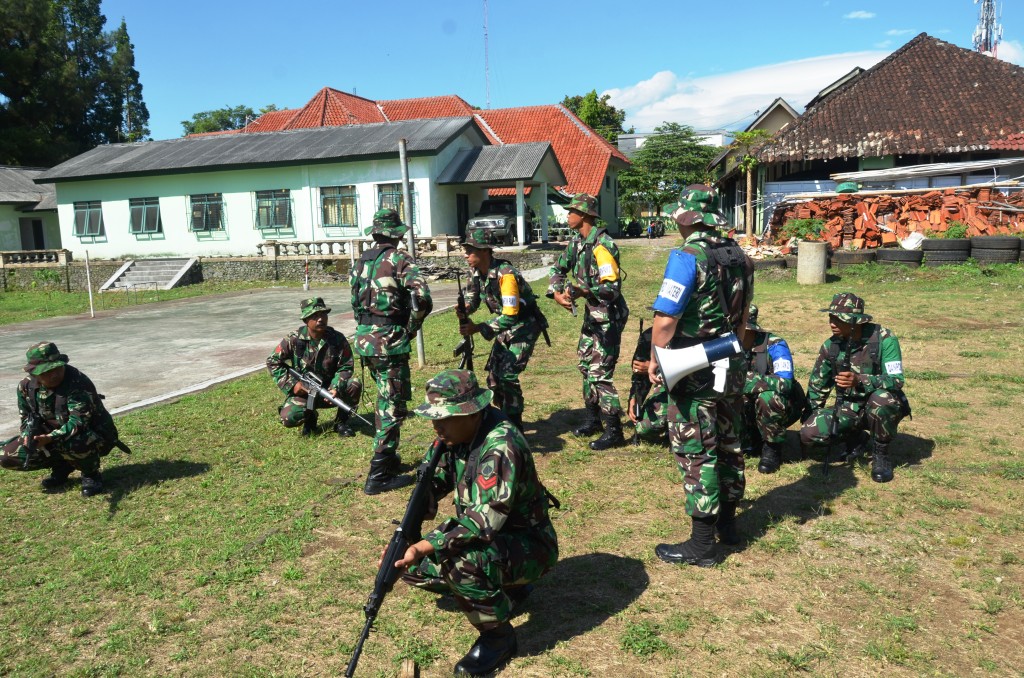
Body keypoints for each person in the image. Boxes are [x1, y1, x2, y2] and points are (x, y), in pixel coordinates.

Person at [395, 369, 558, 676]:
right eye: (434, 417)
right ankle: (508, 590)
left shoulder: (500, 446)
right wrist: (409, 533)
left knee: (459, 563)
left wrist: (424, 545)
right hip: (498, 544)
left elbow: (480, 523)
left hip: (530, 545)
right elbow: (431, 485)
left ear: (472, 413)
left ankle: (498, 638)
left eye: (445, 417)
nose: (437, 425)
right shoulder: (454, 437)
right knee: (408, 567)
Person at [648, 185, 754, 566]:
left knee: (696, 450)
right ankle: (729, 524)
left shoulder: (686, 256)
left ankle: (702, 544)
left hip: (693, 368)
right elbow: (743, 320)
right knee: (729, 442)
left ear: (686, 218)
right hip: (732, 361)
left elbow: (665, 319)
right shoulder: (740, 256)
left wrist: (654, 361)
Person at [350, 208, 432, 495]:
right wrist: (411, 327)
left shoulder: (362, 261)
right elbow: (422, 299)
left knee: (383, 398)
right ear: (396, 235)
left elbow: (354, 302)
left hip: (366, 340)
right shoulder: (399, 259)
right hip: (390, 340)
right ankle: (379, 473)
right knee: (392, 405)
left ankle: (390, 458)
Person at [547, 192, 630, 450]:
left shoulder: (603, 246)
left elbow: (612, 290)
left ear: (584, 215)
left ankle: (614, 430)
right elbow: (557, 270)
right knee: (585, 364)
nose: (567, 215)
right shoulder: (577, 243)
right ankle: (592, 419)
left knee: (600, 372)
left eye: (571, 211)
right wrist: (557, 293)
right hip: (592, 315)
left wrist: (585, 291)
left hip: (608, 317)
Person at [800, 292, 909, 483]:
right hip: (848, 407)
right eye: (831, 318)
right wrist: (810, 417)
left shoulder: (885, 339)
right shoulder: (830, 346)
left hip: (879, 404)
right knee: (810, 433)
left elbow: (896, 380)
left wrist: (860, 380)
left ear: (856, 322)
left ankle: (880, 453)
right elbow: (818, 386)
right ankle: (855, 438)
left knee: (881, 400)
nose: (832, 323)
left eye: (839, 319)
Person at [1, 341, 124, 496]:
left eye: (57, 368)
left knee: (74, 440)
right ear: (34, 373)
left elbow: (78, 423)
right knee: (6, 455)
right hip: (51, 437)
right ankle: (63, 465)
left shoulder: (77, 382)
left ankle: (90, 474)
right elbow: (26, 417)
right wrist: (28, 436)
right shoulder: (26, 387)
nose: (54, 374)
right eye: (46, 371)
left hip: (92, 436)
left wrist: (49, 438)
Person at [458, 228, 549, 432]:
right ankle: (504, 416)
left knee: (507, 374)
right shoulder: (475, 273)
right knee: (493, 377)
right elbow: (472, 299)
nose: (465, 254)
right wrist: (464, 308)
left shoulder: (506, 275)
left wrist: (478, 328)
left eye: (469, 250)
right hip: (506, 328)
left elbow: (510, 315)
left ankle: (514, 425)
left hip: (524, 326)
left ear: (484, 251)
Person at [266, 297, 362, 437]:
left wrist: (336, 386)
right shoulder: (293, 339)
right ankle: (310, 419)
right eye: (314, 316)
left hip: (329, 392)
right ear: (305, 320)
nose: (320, 319)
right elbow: (272, 361)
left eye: (323, 314)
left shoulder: (337, 339)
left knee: (354, 384)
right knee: (288, 417)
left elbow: (346, 367)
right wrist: (293, 385)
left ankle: (341, 422)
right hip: (304, 392)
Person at [741, 304, 805, 474]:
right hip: (744, 407)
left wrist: (743, 381)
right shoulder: (727, 345)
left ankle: (772, 448)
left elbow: (785, 382)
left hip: (780, 406)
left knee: (769, 397)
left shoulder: (775, 344)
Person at [626, 321, 668, 444]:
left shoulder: (697, 334)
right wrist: (634, 399)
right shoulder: (650, 335)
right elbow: (640, 375)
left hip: (696, 387)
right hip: (667, 387)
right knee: (644, 427)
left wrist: (655, 368)